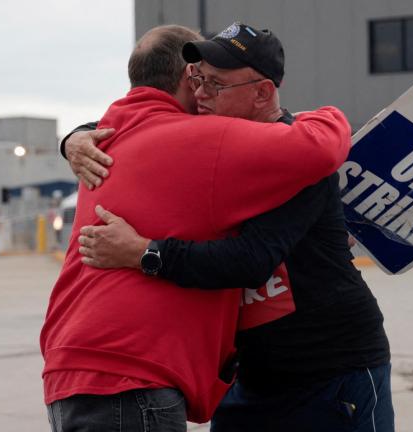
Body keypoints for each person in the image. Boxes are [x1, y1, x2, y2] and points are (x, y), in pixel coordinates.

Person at [65, 22, 394, 432]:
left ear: (262, 92)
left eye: (215, 85)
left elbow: (250, 259)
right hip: (249, 378)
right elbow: (138, 125)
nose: (200, 93)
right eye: (199, 80)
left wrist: (143, 253)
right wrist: (76, 138)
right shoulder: (208, 145)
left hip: (328, 367)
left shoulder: (295, 154)